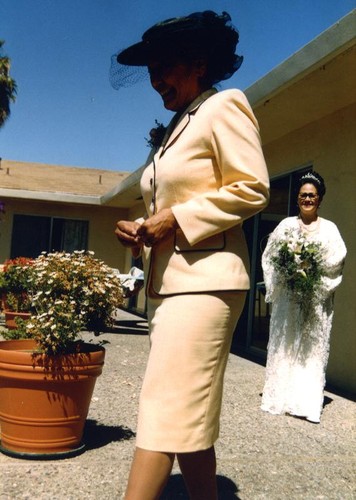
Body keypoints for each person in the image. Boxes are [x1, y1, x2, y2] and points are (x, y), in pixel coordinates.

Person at [113, 11, 269, 499]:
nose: (156, 79)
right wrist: (143, 228)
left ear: (199, 63)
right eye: (151, 70)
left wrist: (175, 218)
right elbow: (170, 205)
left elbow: (253, 187)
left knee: (163, 409)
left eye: (165, 66)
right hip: (171, 286)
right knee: (185, 415)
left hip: (208, 285)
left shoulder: (225, 106)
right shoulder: (177, 128)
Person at [261, 171, 346, 423]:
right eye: (302, 196)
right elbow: (270, 256)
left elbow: (337, 259)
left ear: (319, 199)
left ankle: (305, 403)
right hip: (288, 298)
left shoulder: (329, 229)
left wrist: (313, 271)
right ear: (297, 199)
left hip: (315, 300)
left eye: (311, 195)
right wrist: (288, 271)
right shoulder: (286, 226)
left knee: (310, 348)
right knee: (286, 344)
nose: (307, 199)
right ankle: (280, 398)